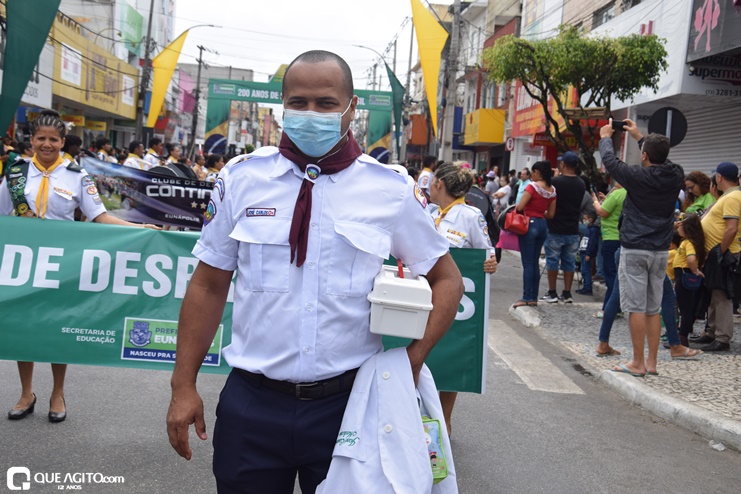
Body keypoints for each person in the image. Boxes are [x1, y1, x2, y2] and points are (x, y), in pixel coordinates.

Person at [165, 50, 464, 494]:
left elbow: (447, 279)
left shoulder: (390, 189)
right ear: (283, 105)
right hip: (252, 403)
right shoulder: (242, 179)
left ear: (351, 108)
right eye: (298, 103)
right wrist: (183, 385)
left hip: (350, 406)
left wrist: (411, 359)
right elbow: (208, 286)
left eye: (325, 103)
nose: (311, 113)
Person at [1, 110, 159, 424]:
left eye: (53, 139)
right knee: (24, 324)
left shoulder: (77, 176)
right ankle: (26, 393)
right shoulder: (15, 174)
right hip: (24, 264)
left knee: (57, 326)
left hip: (63, 264)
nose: (47, 144)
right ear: (31, 140)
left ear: (62, 142)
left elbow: (100, 216)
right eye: (41, 138)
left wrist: (140, 229)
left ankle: (57, 393)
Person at [599, 118, 684, 377]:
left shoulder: (636, 176)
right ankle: (652, 362)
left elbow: (610, 161)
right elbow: (663, 160)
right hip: (660, 249)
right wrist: (640, 138)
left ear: (644, 156)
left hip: (635, 248)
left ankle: (637, 362)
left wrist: (605, 138)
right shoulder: (675, 174)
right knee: (652, 308)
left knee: (635, 307)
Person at [428, 161, 497, 435]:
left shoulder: (470, 216)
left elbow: (486, 252)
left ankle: (444, 423)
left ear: (439, 184)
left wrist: (490, 263)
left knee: (450, 358)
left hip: (456, 300)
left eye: (432, 180)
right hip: (423, 293)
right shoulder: (428, 212)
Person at [696, 162, 741, 352]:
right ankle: (712, 331)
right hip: (718, 252)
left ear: (719, 177)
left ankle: (722, 337)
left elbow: (731, 229)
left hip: (724, 253)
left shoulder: (733, 197)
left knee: (721, 294)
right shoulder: (728, 196)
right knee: (714, 293)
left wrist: (719, 252)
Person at [542, 152, 585, 304]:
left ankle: (552, 291)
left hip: (555, 227)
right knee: (569, 262)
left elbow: (548, 198)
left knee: (552, 261)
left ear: (563, 164)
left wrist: (555, 178)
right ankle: (567, 293)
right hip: (572, 228)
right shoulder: (581, 183)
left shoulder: (555, 182)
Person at [513, 160, 556, 308]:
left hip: (529, 225)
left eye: (533, 172)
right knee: (535, 262)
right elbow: (551, 214)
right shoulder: (552, 190)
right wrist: (540, 211)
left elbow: (520, 207)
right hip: (543, 225)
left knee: (528, 263)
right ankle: (533, 297)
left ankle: (526, 297)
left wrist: (531, 211)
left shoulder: (532, 187)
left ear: (537, 172)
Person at [591, 181, 626, 317]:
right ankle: (618, 307)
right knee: (617, 275)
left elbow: (602, 212)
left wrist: (595, 201)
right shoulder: (628, 193)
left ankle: (608, 308)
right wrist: (606, 200)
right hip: (622, 237)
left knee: (610, 275)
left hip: (611, 236)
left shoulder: (617, 194)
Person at [674, 214, 707, 347]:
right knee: (687, 308)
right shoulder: (688, 242)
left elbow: (691, 259)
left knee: (686, 309)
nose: (678, 227)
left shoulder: (689, 243)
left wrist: (694, 271)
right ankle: (682, 336)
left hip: (684, 276)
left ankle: (682, 338)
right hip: (683, 276)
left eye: (681, 225)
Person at [577, 211, 599, 296]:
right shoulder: (587, 229)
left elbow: (592, 243)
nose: (583, 221)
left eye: (585, 219)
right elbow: (583, 240)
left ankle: (588, 288)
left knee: (586, 270)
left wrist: (588, 254)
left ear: (590, 219)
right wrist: (580, 249)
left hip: (587, 253)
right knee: (583, 270)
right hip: (583, 251)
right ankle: (585, 286)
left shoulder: (593, 230)